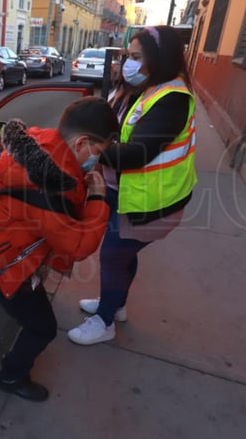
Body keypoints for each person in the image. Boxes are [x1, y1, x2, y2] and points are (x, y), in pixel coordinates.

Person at [0, 97, 119, 402]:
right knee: (42, 328)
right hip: (13, 265)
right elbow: (77, 245)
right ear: (82, 142)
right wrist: (98, 198)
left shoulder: (35, 141)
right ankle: (11, 376)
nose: (96, 161)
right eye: (97, 153)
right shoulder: (53, 185)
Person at [67, 25, 197, 345]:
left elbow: (136, 154)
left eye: (135, 57)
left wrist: (91, 149)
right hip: (125, 192)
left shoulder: (172, 98)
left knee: (113, 254)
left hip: (150, 202)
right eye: (127, 55)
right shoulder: (140, 89)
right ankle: (116, 304)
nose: (128, 62)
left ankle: (105, 321)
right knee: (123, 253)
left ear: (158, 59)